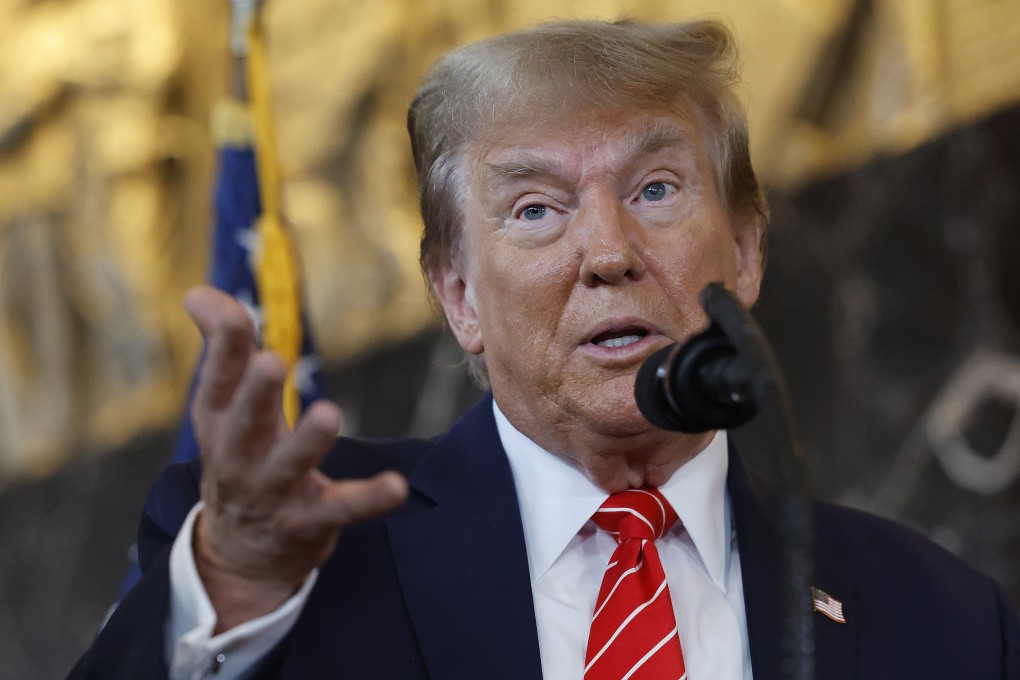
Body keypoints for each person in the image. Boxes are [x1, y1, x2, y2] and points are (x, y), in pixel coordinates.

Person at [70, 19, 1019, 680]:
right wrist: (232, 588)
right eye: (535, 209)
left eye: (655, 189)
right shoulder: (302, 569)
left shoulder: (941, 618)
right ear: (458, 295)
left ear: (745, 250)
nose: (608, 253)